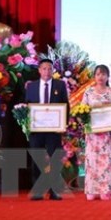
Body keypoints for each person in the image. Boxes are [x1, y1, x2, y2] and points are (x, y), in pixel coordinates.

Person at [24, 58, 69, 200]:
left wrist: (64, 124)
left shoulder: (60, 85)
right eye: (44, 68)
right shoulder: (31, 86)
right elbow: (26, 106)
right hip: (36, 129)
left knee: (55, 158)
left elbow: (66, 105)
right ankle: (38, 190)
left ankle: (54, 190)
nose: (47, 71)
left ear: (53, 70)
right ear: (39, 70)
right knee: (37, 159)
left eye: (50, 68)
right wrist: (26, 124)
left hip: (54, 129)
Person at [82, 64, 111, 201]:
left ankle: (106, 190)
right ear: (94, 76)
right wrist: (84, 119)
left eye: (103, 74)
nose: (100, 77)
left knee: (106, 161)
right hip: (92, 134)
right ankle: (91, 189)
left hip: (106, 134)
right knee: (92, 161)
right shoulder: (88, 92)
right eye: (98, 74)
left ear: (108, 77)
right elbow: (82, 110)